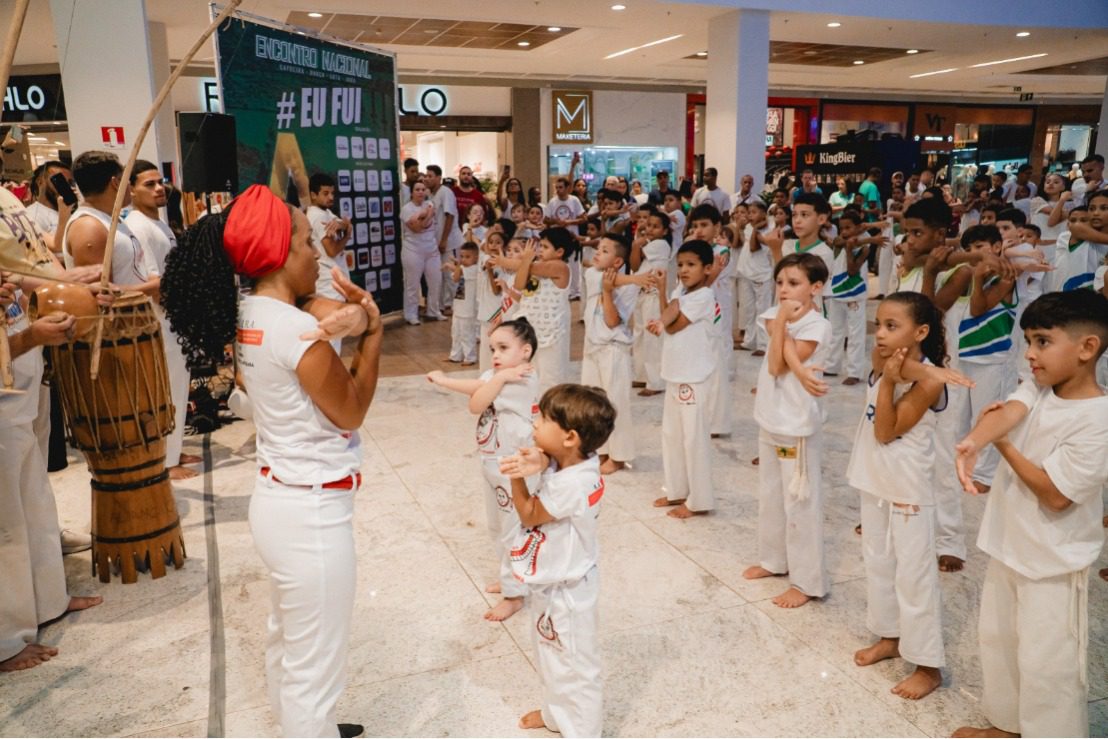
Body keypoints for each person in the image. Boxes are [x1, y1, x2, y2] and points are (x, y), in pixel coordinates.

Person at [161, 184, 383, 738]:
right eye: (308, 242)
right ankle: (311, 726)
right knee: (315, 663)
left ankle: (307, 725)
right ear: (281, 253)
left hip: (279, 499)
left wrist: (352, 314)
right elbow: (350, 412)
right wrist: (372, 333)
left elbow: (320, 305)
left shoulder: (249, 309)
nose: (317, 252)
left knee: (289, 639)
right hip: (312, 511)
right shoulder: (299, 334)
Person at [952, 291, 1108, 738]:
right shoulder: (1040, 387)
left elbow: (1056, 496)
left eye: (1042, 341)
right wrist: (975, 441)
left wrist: (1001, 446)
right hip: (1011, 543)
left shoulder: (1097, 418)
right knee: (1000, 643)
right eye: (1029, 341)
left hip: (1053, 562)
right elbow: (1008, 412)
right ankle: (1008, 726)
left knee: (1048, 667)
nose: (1031, 354)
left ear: (1086, 348)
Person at [0, 185, 103, 674]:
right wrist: (29, 334)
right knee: (4, 526)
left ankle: (47, 602)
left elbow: (25, 270)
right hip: (7, 374)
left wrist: (68, 285)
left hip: (21, 378)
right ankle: (4, 638)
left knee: (34, 502)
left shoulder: (6, 198)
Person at [849, 291, 954, 701]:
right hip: (875, 478)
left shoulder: (929, 379)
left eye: (892, 327)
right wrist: (892, 372)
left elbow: (886, 430)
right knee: (878, 563)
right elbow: (888, 369)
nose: (880, 334)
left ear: (922, 332)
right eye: (879, 325)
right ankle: (890, 636)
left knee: (914, 575)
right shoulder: (884, 360)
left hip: (909, 487)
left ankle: (928, 665)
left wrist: (895, 379)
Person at [499, 384, 616, 737]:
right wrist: (541, 459)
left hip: (570, 593)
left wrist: (516, 476)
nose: (535, 422)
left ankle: (583, 730)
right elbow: (553, 461)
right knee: (550, 655)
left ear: (570, 437)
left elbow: (530, 514)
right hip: (553, 583)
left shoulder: (574, 484)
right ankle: (555, 714)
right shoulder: (578, 462)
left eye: (544, 418)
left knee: (576, 665)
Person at [427, 318, 539, 622]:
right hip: (492, 461)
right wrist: (443, 380)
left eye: (504, 348)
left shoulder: (521, 379)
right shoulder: (500, 376)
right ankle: (509, 580)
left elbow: (476, 403)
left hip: (511, 466)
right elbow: (477, 385)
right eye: (492, 348)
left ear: (525, 352)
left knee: (512, 528)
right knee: (496, 526)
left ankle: (514, 594)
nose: (496, 355)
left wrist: (500, 380)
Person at [744, 252, 831, 608]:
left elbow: (779, 364)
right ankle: (774, 561)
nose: (784, 290)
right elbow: (784, 355)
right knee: (771, 495)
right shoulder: (772, 314)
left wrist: (782, 324)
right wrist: (781, 320)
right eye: (780, 283)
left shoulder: (817, 325)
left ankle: (807, 581)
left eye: (794, 284)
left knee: (799, 500)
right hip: (770, 419)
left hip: (795, 425)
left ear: (816, 288)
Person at [125, 160, 201, 480]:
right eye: (149, 184)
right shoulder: (139, 226)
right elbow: (155, 282)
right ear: (130, 190)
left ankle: (174, 448)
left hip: (173, 318)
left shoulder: (160, 222)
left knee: (179, 386)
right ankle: (166, 463)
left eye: (161, 182)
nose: (159, 189)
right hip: (159, 320)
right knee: (167, 390)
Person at [649, 240, 718, 519]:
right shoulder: (681, 291)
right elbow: (669, 311)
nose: (684, 270)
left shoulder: (703, 295)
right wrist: (663, 293)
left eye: (691, 265)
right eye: (680, 265)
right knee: (672, 435)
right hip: (675, 372)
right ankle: (677, 489)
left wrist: (664, 320)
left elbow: (675, 325)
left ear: (707, 268)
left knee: (693, 439)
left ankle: (699, 500)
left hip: (693, 375)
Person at [580, 232, 645, 475]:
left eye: (605, 250)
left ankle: (619, 456)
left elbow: (612, 321)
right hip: (592, 347)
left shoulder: (627, 288)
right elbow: (614, 280)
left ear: (618, 261)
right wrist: (639, 278)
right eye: (598, 247)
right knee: (594, 402)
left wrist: (609, 292)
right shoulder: (592, 274)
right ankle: (602, 449)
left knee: (616, 403)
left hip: (613, 349)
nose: (597, 252)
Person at [687, 203, 734, 437]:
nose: (699, 230)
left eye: (704, 225)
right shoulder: (696, 250)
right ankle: (704, 414)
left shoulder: (721, 252)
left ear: (717, 227)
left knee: (716, 363)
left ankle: (717, 422)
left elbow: (705, 282)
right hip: (700, 311)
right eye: (695, 225)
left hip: (717, 310)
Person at [827, 211, 884, 384]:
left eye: (848, 228)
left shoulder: (864, 249)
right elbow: (839, 241)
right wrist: (869, 239)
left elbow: (852, 270)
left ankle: (854, 371)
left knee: (855, 334)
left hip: (855, 294)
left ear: (858, 228)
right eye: (841, 228)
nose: (844, 231)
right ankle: (831, 366)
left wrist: (853, 248)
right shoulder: (838, 242)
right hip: (836, 292)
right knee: (835, 331)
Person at [513, 228, 573, 392]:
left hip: (552, 331)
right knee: (532, 374)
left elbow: (524, 266)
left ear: (560, 251)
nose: (539, 250)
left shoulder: (560, 267)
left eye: (545, 247)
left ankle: (553, 414)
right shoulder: (535, 266)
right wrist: (526, 262)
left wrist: (523, 260)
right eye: (539, 246)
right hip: (533, 328)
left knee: (551, 376)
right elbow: (518, 285)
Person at [630, 210, 672, 398]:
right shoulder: (642, 243)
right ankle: (641, 373)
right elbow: (634, 265)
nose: (650, 229)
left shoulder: (661, 245)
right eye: (648, 225)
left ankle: (656, 381)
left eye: (656, 226)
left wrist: (638, 242)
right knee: (638, 335)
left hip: (654, 295)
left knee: (652, 339)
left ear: (664, 231)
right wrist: (636, 243)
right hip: (640, 294)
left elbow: (639, 251)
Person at [399, 181, 443, 325]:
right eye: (417, 189)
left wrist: (425, 214)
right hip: (413, 251)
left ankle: (433, 310)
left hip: (431, 250)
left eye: (423, 189)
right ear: (411, 192)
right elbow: (417, 228)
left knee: (436, 281)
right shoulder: (406, 209)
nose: (420, 192)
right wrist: (427, 214)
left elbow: (422, 223)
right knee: (412, 285)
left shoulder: (429, 204)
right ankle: (411, 314)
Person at [737, 200, 774, 353]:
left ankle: (763, 344)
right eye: (749, 212)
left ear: (763, 214)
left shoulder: (770, 228)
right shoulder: (749, 227)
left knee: (762, 309)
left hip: (762, 274)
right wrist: (754, 229)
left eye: (754, 212)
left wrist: (757, 230)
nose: (750, 216)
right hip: (746, 272)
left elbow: (754, 247)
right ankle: (749, 341)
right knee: (748, 309)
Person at [427, 165, 464, 311]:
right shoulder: (430, 195)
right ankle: (443, 305)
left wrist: (443, 240)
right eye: (426, 176)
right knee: (441, 275)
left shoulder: (446, 192)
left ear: (438, 178)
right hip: (437, 243)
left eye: (430, 176)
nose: (427, 179)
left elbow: (450, 216)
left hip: (451, 242)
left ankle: (455, 306)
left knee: (451, 275)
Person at [545, 177, 586, 299]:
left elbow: (584, 218)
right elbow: (546, 219)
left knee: (574, 265)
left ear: (568, 188)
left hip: (572, 237)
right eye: (556, 188)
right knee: (559, 264)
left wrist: (569, 222)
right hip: (557, 238)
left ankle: (575, 291)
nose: (558, 190)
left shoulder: (574, 201)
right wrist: (556, 221)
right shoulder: (552, 202)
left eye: (561, 187)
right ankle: (561, 289)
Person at [444, 242, 480, 365]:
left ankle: (470, 357)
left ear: (476, 257)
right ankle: (455, 355)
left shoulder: (474, 270)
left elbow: (457, 276)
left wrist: (456, 265)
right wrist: (456, 265)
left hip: (468, 309)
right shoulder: (463, 268)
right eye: (462, 256)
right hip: (459, 306)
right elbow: (456, 276)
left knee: (467, 334)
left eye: (467, 257)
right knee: (456, 333)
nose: (464, 259)